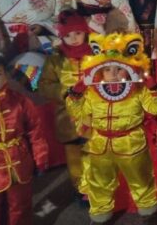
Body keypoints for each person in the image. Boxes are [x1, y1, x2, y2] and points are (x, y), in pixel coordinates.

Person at [65, 33, 157, 223]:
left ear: (129, 71)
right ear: (99, 72)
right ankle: (100, 216)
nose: (113, 73)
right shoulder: (92, 94)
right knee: (99, 184)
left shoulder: (138, 91)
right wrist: (75, 94)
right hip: (99, 146)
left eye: (119, 69)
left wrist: (154, 89)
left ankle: (150, 214)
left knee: (141, 180)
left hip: (131, 145)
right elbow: (78, 112)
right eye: (108, 69)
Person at [37, 10, 92, 203]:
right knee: (74, 157)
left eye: (77, 33)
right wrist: (64, 91)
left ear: (85, 32)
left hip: (92, 117)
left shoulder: (95, 55)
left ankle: (96, 187)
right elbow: (44, 85)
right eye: (68, 35)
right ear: (61, 36)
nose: (74, 38)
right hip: (67, 118)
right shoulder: (55, 60)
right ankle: (80, 189)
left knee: (93, 154)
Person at [0, 51, 48, 225]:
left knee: (20, 206)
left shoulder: (19, 100)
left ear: (5, 74)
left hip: (19, 162)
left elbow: (35, 130)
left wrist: (40, 157)